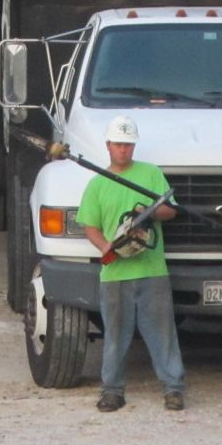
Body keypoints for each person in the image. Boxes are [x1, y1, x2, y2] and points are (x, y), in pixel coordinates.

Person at [76, 115, 185, 412]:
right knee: (115, 335)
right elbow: (90, 226)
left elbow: (171, 211)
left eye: (128, 144)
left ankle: (173, 389)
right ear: (108, 145)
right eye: (118, 144)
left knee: (162, 332)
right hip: (115, 273)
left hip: (152, 269)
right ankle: (112, 390)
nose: (123, 150)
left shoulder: (151, 174)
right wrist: (106, 247)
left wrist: (149, 213)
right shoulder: (98, 183)